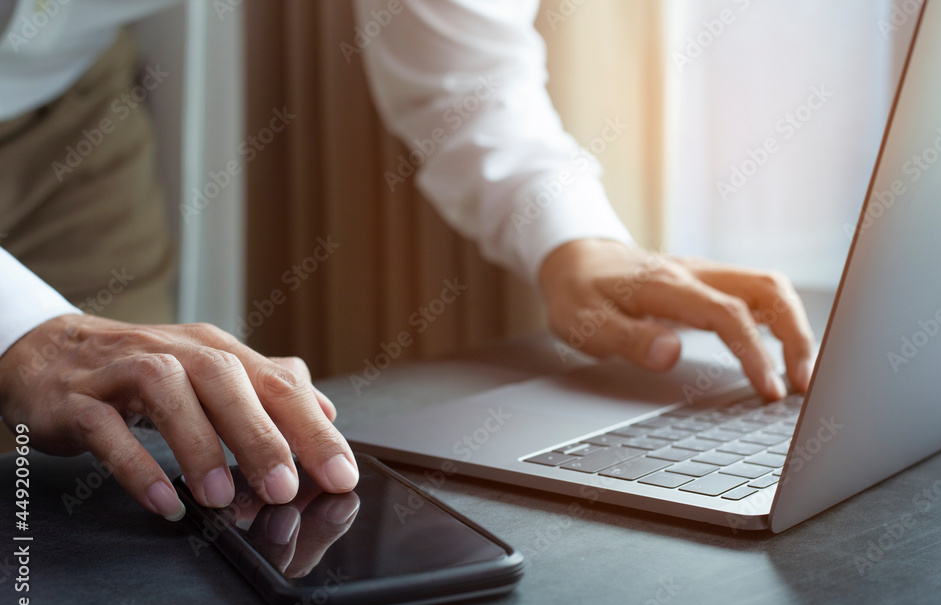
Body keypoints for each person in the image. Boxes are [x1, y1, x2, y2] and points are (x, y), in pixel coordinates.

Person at [0, 0, 815, 523]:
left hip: (61, 101)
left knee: (88, 502)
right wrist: (28, 329)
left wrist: (572, 234)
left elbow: (462, 53)